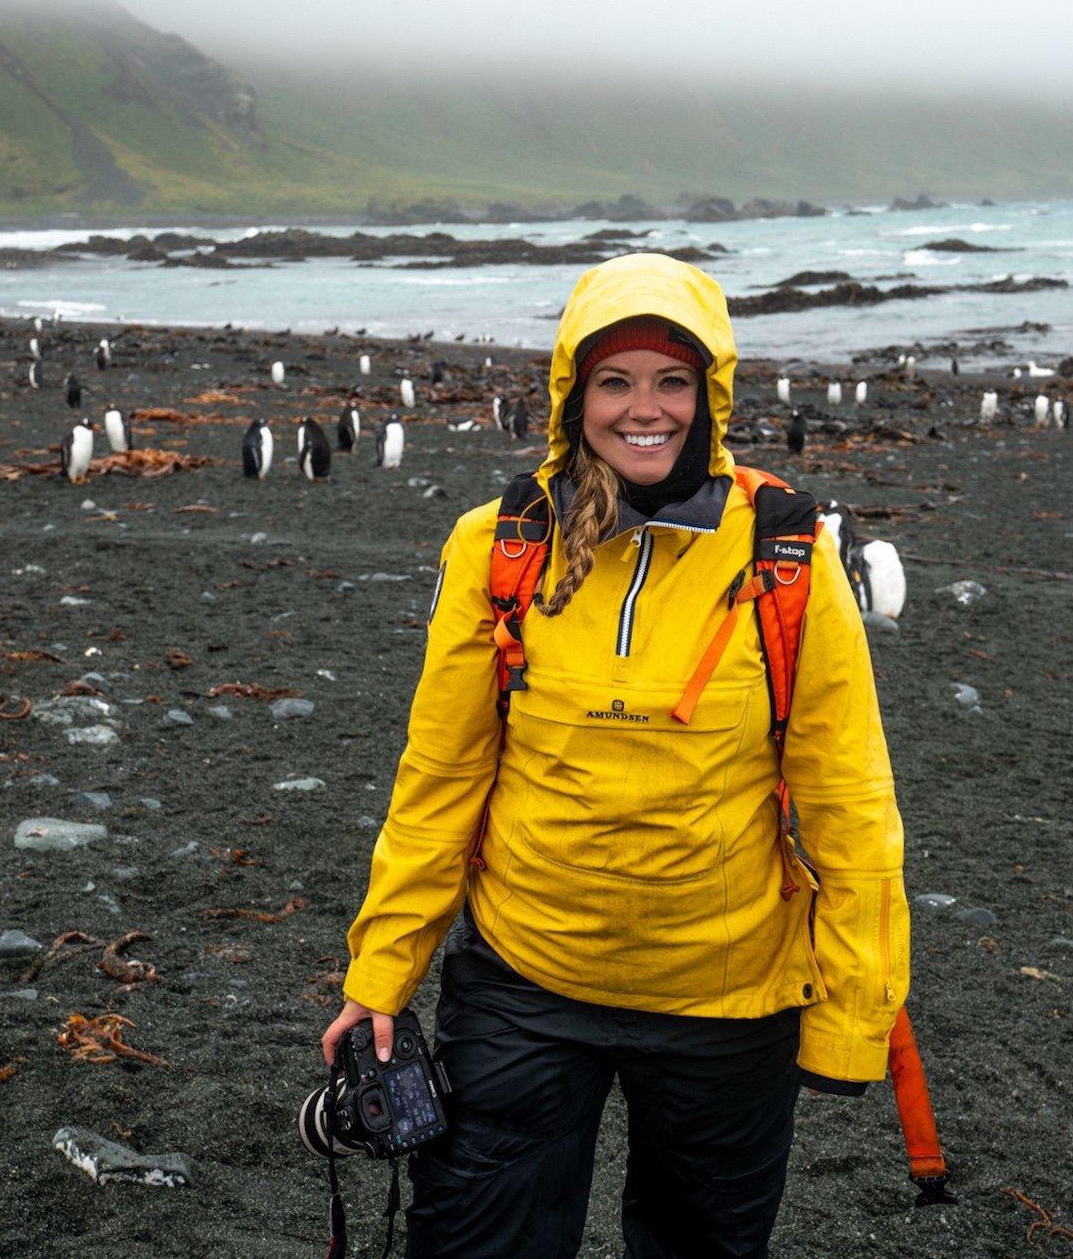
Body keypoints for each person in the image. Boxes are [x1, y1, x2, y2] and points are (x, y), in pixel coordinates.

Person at [322, 252, 909, 1258]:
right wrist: (381, 969)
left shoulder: (785, 556)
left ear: (709, 393)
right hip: (523, 981)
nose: (646, 408)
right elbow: (442, 776)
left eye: (672, 380)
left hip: (726, 1000)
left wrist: (853, 1013)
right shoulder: (499, 545)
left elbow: (848, 797)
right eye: (615, 381)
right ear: (572, 394)